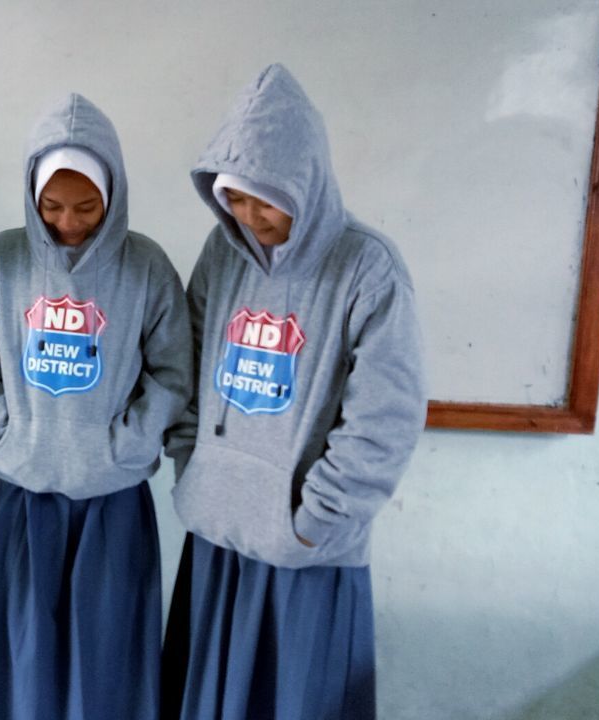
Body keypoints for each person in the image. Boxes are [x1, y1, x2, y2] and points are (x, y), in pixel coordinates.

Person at [160, 64, 426, 720]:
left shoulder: (367, 267)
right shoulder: (223, 255)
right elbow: (185, 365)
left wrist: (316, 522)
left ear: (306, 182)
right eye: (236, 200)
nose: (251, 216)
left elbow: (385, 417)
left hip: (307, 555)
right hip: (219, 537)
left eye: (266, 198)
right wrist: (196, 468)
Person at [0, 93, 191, 720]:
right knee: (16, 651)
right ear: (31, 196)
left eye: (87, 205)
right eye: (51, 206)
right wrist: (4, 430)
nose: (69, 221)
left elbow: (172, 371)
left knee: (106, 657)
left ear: (113, 191)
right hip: (20, 491)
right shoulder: (5, 258)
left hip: (111, 497)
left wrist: (130, 445)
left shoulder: (146, 267)